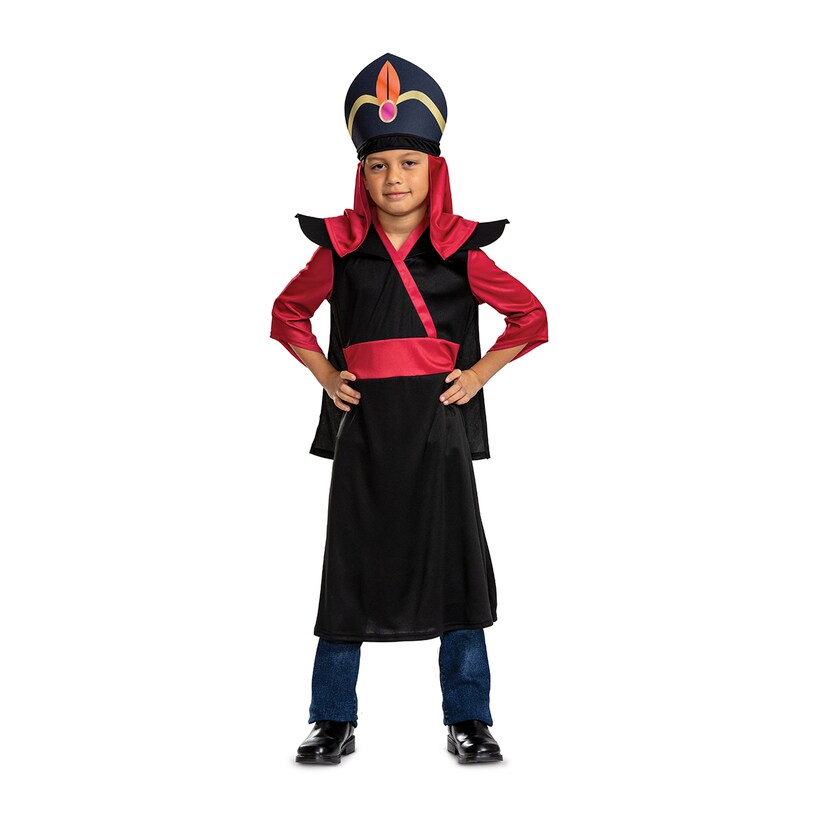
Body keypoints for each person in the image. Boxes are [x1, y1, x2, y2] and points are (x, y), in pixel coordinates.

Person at [269, 53, 548, 765]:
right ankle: (332, 716)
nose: (394, 177)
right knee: (349, 569)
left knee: (456, 571)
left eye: (409, 163)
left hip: (435, 432)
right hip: (366, 435)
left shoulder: (462, 253)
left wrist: (478, 373)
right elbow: (287, 314)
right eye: (379, 165)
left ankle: (470, 717)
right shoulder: (341, 251)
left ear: (435, 170)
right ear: (362, 175)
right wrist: (325, 373)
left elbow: (531, 317)